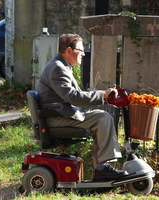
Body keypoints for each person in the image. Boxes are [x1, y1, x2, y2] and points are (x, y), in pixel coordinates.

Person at [36, 34, 129, 181]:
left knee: (102, 117)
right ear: (68, 51)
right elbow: (73, 97)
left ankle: (101, 168)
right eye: (81, 49)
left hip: (59, 115)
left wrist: (103, 96)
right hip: (55, 118)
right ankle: (102, 169)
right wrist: (102, 96)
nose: (84, 53)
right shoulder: (57, 68)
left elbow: (76, 94)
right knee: (103, 118)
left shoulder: (61, 66)